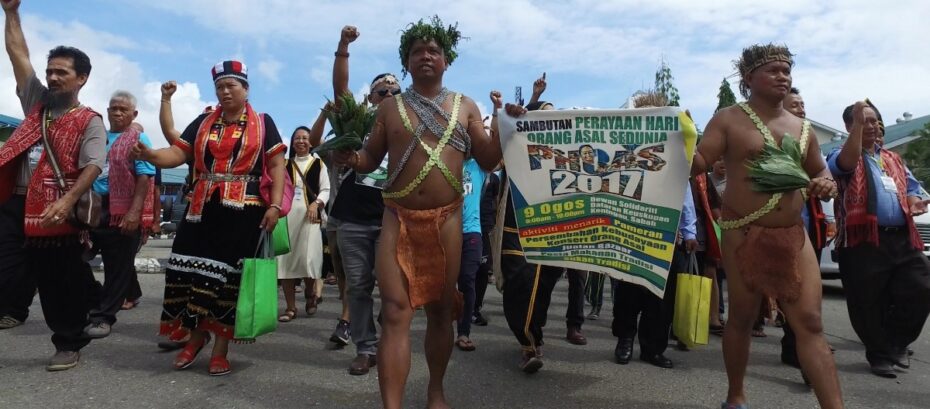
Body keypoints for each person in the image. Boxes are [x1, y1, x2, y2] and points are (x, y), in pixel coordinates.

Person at [334, 16, 501, 409]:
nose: (426, 56)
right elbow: (370, 157)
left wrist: (508, 127)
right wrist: (352, 157)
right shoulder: (389, 108)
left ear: (446, 61)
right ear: (406, 63)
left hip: (448, 221)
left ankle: (436, 392)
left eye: (434, 51)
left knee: (442, 311)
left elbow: (490, 160)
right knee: (394, 312)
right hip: (397, 218)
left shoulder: (466, 107)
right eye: (417, 52)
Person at [693, 44, 843, 409]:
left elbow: (819, 169)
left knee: (809, 322)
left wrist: (826, 181)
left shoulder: (802, 127)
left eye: (786, 70)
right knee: (742, 318)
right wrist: (674, 141)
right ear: (748, 79)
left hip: (793, 235)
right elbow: (700, 161)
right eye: (773, 70)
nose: (783, 76)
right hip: (743, 232)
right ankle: (736, 396)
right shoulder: (729, 119)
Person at [135, 60, 286, 376]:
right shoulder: (203, 122)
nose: (225, 91)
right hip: (200, 211)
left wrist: (274, 207)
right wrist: (151, 155)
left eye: (232, 85)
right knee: (191, 275)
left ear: (245, 88)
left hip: (244, 212)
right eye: (220, 86)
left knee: (227, 282)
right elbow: (178, 154)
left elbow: (276, 167)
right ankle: (194, 339)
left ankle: (220, 348)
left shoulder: (263, 122)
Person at [0, 0, 106, 370]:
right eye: (50, 71)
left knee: (58, 284)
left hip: (56, 211)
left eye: (62, 72)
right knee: (7, 273)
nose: (53, 77)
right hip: (15, 204)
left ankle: (68, 341)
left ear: (82, 78)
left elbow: (94, 165)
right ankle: (14, 308)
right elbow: (17, 54)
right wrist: (11, 13)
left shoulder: (90, 120)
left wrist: (67, 202)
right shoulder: (36, 104)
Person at [317, 25, 402, 373]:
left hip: (392, 216)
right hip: (352, 217)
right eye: (383, 90)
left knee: (395, 285)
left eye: (396, 90)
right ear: (371, 97)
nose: (390, 94)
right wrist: (343, 47)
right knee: (358, 286)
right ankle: (366, 348)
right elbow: (339, 91)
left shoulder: (407, 124)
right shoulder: (359, 119)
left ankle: (389, 337)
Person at [829, 99, 930, 378]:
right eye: (863, 120)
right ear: (850, 126)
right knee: (867, 301)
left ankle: (896, 344)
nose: (871, 125)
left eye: (874, 120)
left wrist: (915, 199)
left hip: (901, 238)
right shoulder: (840, 153)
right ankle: (879, 354)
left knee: (921, 285)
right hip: (863, 241)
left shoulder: (892, 158)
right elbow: (843, 165)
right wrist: (857, 132)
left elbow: (914, 187)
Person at [612, 91, 696, 369]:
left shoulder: (675, 148)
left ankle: (653, 348)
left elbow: (683, 191)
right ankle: (625, 339)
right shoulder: (623, 149)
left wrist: (690, 230)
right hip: (630, 231)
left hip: (665, 233)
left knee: (660, 295)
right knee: (627, 290)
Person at [83, 91, 156, 338]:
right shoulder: (97, 137)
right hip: (93, 206)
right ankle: (98, 298)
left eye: (123, 109)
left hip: (122, 209)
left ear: (133, 114)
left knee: (117, 267)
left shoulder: (138, 137)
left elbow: (144, 177)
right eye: (113, 108)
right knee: (76, 256)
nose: (117, 113)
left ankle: (103, 318)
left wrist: (134, 213)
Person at [780, 87, 832, 370]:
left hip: (810, 228)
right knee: (788, 294)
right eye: (795, 104)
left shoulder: (808, 138)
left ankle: (803, 348)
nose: (801, 108)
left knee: (808, 302)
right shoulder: (769, 141)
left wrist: (826, 182)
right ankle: (797, 347)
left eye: (803, 103)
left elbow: (824, 174)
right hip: (776, 230)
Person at [277, 126, 330, 322]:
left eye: (305, 138)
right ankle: (290, 307)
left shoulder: (319, 163)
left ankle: (310, 293)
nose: (301, 141)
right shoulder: (283, 164)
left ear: (311, 142)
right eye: (297, 138)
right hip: (286, 219)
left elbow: (326, 189)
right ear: (292, 142)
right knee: (286, 263)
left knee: (308, 260)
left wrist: (316, 204)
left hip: (310, 218)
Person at [455, 157, 486, 351]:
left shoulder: (479, 165)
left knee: (467, 280)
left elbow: (499, 152)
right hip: (446, 230)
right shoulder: (446, 157)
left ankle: (463, 332)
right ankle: (440, 328)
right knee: (443, 283)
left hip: (472, 231)